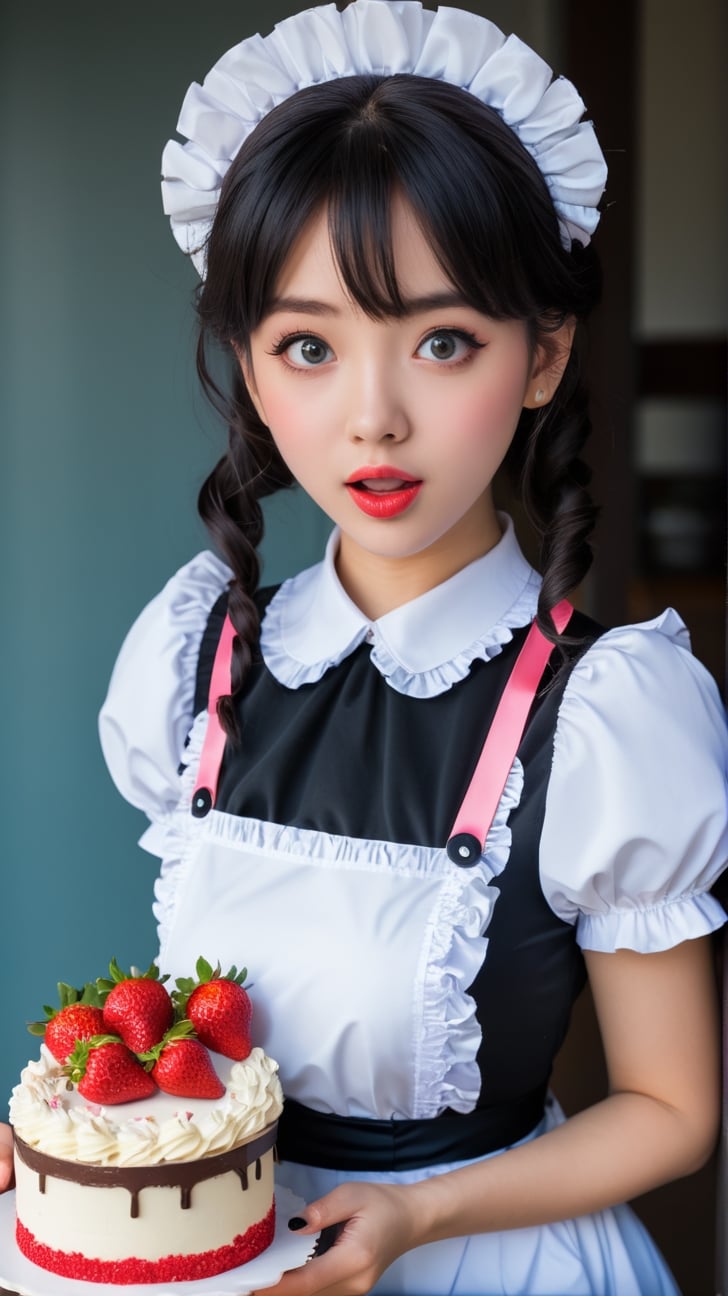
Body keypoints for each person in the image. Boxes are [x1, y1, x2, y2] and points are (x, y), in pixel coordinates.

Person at [2, 3, 727, 1292]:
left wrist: (417, 1220)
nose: (374, 418)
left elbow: (673, 1111)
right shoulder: (193, 669)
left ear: (543, 354)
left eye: (443, 342)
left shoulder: (606, 710)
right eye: (309, 347)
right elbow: (194, 1051)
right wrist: (86, 1147)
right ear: (250, 364)